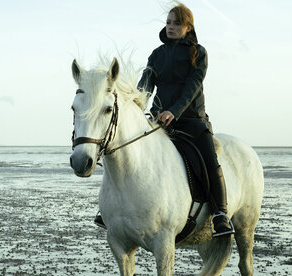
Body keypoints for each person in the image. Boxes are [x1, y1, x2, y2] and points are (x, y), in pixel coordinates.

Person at [95, 3, 234, 237]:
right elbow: (145, 87)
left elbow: (192, 88)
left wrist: (174, 111)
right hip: (159, 121)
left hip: (191, 120)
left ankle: (220, 214)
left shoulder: (199, 53)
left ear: (188, 27)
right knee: (125, 154)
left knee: (210, 161)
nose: (170, 27)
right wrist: (136, 107)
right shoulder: (157, 55)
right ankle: (111, 209)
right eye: (168, 23)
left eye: (176, 23)